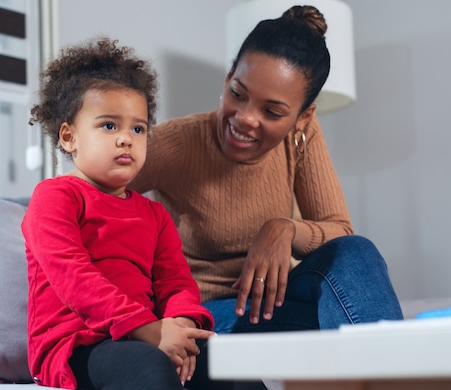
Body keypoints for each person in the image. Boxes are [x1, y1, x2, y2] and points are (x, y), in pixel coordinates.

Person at [22, 38, 282, 390]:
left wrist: (181, 329)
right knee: (148, 364)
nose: (127, 138)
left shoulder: (154, 215)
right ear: (69, 137)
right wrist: (148, 330)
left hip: (146, 334)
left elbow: (176, 282)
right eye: (109, 125)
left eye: (139, 129)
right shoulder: (54, 197)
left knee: (228, 363)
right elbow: (73, 277)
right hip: (76, 346)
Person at [130, 5, 404, 334]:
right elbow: (79, 201)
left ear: (303, 116)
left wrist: (284, 229)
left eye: (272, 112)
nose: (246, 118)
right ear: (229, 76)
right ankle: (389, 373)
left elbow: (340, 231)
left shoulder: (302, 135)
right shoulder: (174, 145)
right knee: (332, 324)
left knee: (357, 252)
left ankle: (390, 375)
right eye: (237, 94)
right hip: (205, 312)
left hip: (279, 300)